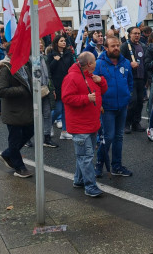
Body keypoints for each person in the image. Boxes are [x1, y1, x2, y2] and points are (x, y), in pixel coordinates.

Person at [62, 52, 108, 197]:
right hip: (80, 125)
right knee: (86, 157)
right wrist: (85, 98)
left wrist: (101, 81)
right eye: (94, 61)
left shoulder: (91, 76)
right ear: (89, 64)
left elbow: (103, 91)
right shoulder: (71, 77)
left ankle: (79, 179)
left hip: (92, 123)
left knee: (84, 155)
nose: (96, 63)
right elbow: (67, 98)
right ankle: (90, 186)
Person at [94, 36, 134, 177]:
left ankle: (116, 166)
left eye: (118, 45)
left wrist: (127, 96)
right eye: (113, 46)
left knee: (119, 137)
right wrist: (99, 104)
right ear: (106, 48)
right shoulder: (99, 64)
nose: (116, 48)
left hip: (122, 106)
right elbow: (94, 86)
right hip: (107, 107)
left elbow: (130, 82)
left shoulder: (126, 63)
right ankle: (99, 163)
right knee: (108, 136)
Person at [0, 54, 35, 178]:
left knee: (29, 132)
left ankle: (7, 154)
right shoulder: (6, 69)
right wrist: (21, 90)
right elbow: (0, 90)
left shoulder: (25, 66)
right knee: (15, 138)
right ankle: (19, 167)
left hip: (25, 109)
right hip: (13, 111)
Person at [47, 34, 75, 140]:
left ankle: (64, 131)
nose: (64, 42)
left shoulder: (68, 54)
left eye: (64, 41)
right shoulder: (51, 54)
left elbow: (72, 67)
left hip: (67, 84)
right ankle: (48, 125)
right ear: (56, 43)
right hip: (56, 85)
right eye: (61, 41)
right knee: (58, 109)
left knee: (65, 109)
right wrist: (56, 60)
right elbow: (49, 69)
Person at [121, 27, 147, 134]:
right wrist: (129, 63)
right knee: (132, 101)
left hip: (141, 78)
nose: (137, 35)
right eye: (135, 33)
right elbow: (120, 60)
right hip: (130, 78)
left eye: (138, 33)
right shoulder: (125, 46)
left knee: (140, 101)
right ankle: (126, 123)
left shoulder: (143, 46)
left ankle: (136, 122)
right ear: (130, 34)